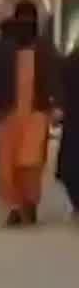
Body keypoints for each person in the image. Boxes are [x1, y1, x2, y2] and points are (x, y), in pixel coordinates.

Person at [0, 0, 59, 227]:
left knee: (29, 162)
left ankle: (28, 204)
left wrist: (55, 103)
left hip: (34, 112)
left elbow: (53, 75)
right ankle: (15, 206)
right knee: (9, 165)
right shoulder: (5, 47)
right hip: (10, 112)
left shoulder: (43, 47)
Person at [56, 39, 79, 220]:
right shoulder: (69, 62)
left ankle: (77, 204)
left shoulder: (69, 62)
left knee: (71, 164)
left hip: (73, 121)